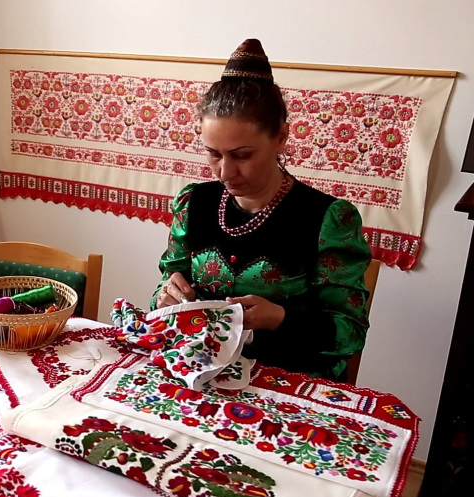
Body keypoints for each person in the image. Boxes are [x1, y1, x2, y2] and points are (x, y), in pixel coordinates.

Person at [152, 39, 371, 381]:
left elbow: (350, 332)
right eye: (213, 154)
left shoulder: (328, 218)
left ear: (281, 137)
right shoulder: (193, 202)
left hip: (288, 381)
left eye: (242, 155)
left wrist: (281, 318)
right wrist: (167, 296)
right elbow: (166, 287)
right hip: (199, 372)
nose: (224, 172)